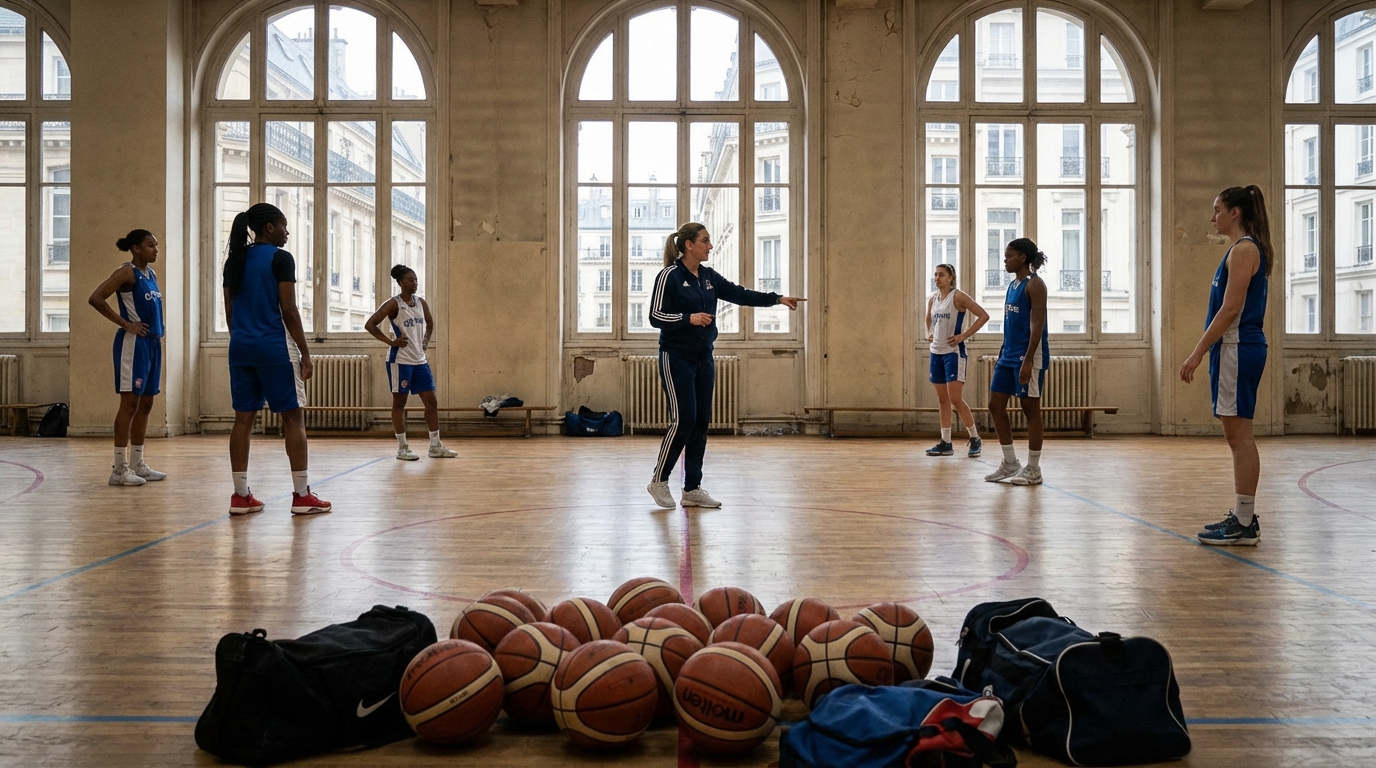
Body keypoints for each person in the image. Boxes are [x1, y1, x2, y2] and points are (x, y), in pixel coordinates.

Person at [647, 222, 806, 509]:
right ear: (689, 245)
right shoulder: (669, 276)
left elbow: (740, 294)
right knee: (683, 420)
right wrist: (689, 318)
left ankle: (692, 489)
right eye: (705, 241)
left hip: (704, 359)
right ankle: (659, 480)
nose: (710, 246)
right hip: (676, 357)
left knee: (700, 424)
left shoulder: (708, 277)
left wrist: (778, 299)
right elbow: (655, 316)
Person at [223, 203, 331, 516]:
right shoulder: (280, 258)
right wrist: (305, 352)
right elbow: (289, 309)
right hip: (274, 348)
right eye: (284, 225)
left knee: (242, 420)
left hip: (240, 347)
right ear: (269, 227)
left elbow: (229, 311)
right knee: (293, 418)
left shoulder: (235, 259)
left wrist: (242, 338)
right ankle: (302, 496)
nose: (287, 232)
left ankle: (240, 496)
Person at [1180, 186, 1272, 546]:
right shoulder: (1241, 249)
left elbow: (1231, 308)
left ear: (1235, 212)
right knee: (1237, 435)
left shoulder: (1245, 249)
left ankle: (1244, 521)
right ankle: (1244, 518)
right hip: (1234, 349)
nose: (1212, 217)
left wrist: (1197, 352)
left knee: (1240, 437)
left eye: (1217, 209)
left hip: (1237, 347)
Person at [88, 229, 167, 486]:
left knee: (146, 404)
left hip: (153, 343)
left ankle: (137, 463)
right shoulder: (126, 272)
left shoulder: (151, 274)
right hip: (133, 344)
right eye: (150, 245)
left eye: (156, 245)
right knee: (130, 404)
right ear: (135, 248)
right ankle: (119, 469)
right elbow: (96, 298)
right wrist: (126, 324)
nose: (155, 249)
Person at [365, 264, 456, 461]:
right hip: (400, 360)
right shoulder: (394, 304)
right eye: (410, 279)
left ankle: (435, 445)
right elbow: (370, 324)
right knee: (400, 402)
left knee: (431, 402)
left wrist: (426, 340)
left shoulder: (421, 303)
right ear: (400, 283)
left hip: (419, 360)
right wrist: (390, 341)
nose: (414, 282)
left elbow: (430, 323)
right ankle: (403, 447)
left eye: (415, 279)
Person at [984, 238, 1049, 486]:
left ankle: (1034, 469)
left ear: (1023, 258)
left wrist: (1029, 359)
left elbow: (1037, 325)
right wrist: (1003, 351)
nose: (1005, 260)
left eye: (1009, 255)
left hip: (1028, 356)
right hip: (1008, 355)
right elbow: (1011, 324)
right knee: (995, 405)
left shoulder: (1035, 285)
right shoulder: (1012, 285)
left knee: (1030, 409)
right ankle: (1010, 463)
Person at [924, 264, 989, 458]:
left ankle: (975, 438)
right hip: (936, 352)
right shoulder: (933, 299)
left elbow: (983, 316)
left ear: (951, 277)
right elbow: (928, 319)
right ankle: (946, 442)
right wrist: (929, 333)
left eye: (941, 275)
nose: (937, 278)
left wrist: (963, 336)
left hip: (953, 353)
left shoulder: (958, 297)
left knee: (955, 399)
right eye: (935, 275)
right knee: (942, 399)